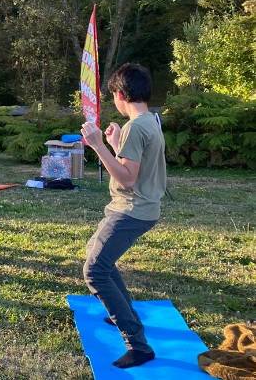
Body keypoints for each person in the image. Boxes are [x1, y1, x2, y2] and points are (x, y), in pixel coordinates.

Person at [80, 63, 166, 369]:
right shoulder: (150, 121)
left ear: (119, 94)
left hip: (131, 211)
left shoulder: (135, 126)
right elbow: (135, 168)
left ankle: (137, 344)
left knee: (94, 271)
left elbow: (127, 179)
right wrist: (117, 145)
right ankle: (122, 309)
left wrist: (98, 145)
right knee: (98, 256)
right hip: (139, 208)